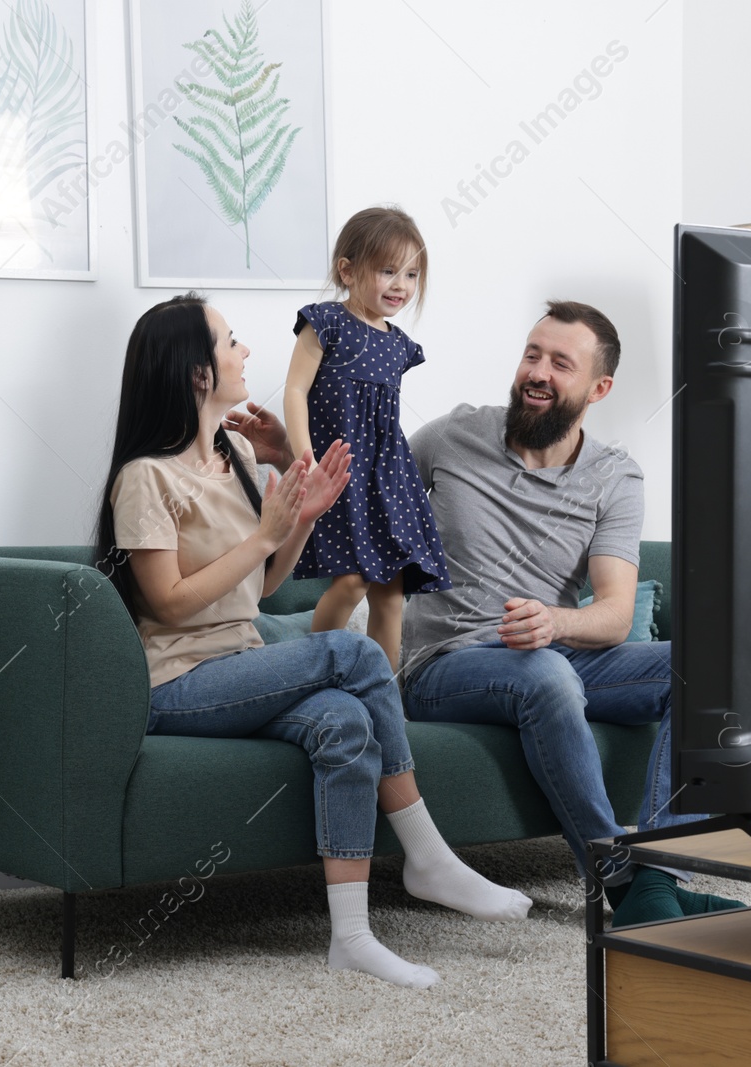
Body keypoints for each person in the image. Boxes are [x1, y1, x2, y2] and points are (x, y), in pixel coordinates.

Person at [94, 293, 531, 990]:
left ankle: (352, 936)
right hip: (177, 682)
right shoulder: (146, 477)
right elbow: (168, 602)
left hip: (243, 664)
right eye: (231, 342)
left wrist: (299, 516)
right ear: (197, 373)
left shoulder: (235, 452)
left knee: (346, 720)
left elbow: (265, 588)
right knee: (356, 651)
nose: (244, 352)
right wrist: (268, 532)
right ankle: (427, 855)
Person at [398, 300, 741, 926]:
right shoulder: (454, 434)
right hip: (444, 667)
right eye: (533, 354)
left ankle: (659, 878)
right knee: (550, 677)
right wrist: (289, 450)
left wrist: (556, 623)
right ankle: (618, 882)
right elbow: (371, 487)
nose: (539, 372)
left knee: (715, 674)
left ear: (598, 387)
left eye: (561, 363)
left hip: (549, 651)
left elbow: (612, 615)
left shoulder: (614, 478)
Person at [273, 206, 450, 676]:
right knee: (351, 581)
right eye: (388, 270)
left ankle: (383, 694)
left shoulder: (399, 344)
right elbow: (295, 389)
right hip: (340, 470)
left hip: (389, 477)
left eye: (411, 274)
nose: (401, 284)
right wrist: (304, 455)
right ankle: (314, 673)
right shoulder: (325, 322)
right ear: (347, 271)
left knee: (390, 592)